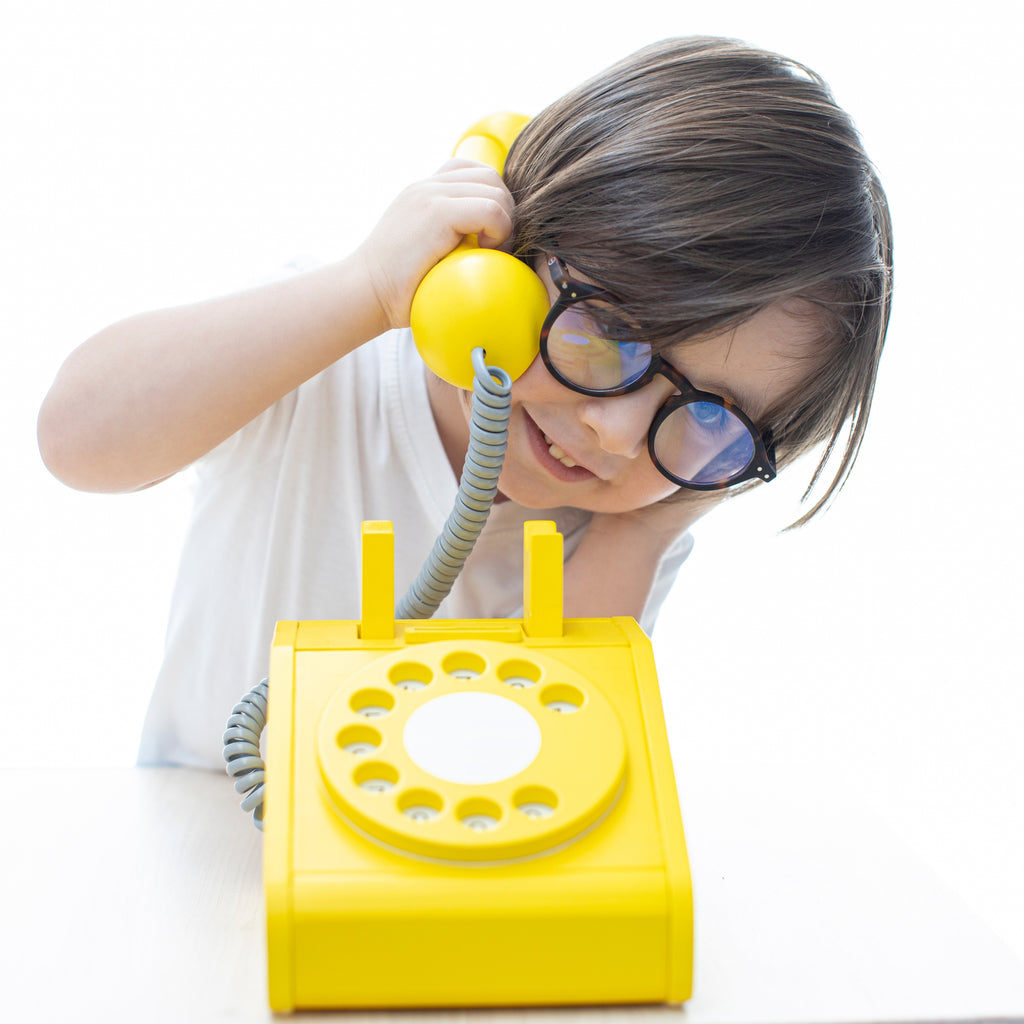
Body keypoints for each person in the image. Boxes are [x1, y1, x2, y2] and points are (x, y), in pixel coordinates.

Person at [37, 36, 893, 769]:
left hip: (442, 884)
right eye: (608, 332)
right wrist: (367, 288)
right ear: (512, 248)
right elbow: (76, 438)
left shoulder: (631, 526)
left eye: (712, 420)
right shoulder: (326, 355)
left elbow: (560, 764)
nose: (618, 431)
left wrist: (640, 533)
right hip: (205, 849)